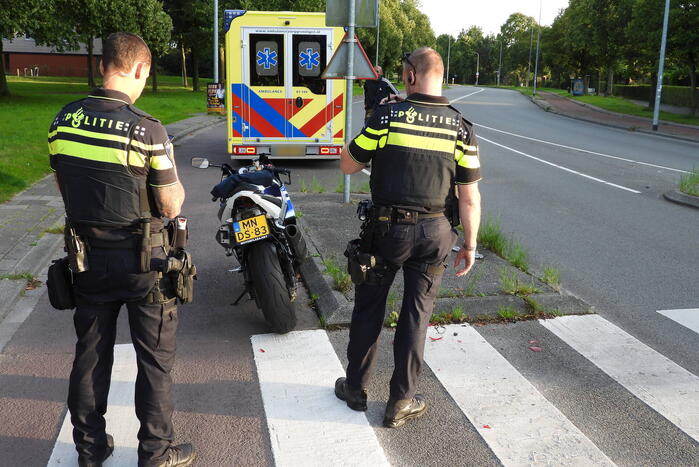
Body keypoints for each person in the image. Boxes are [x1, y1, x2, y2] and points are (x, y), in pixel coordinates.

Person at [48, 32, 195, 467]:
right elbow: (169, 205)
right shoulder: (147, 129)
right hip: (144, 262)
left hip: (87, 260)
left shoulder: (62, 121)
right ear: (140, 69)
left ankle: (90, 450)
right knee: (154, 361)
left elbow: (63, 185)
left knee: (90, 357)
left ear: (102, 66)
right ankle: (156, 453)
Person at [335, 47, 482, 428]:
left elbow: (348, 164)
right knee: (417, 315)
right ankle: (401, 401)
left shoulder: (388, 116)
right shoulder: (461, 128)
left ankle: (355, 389)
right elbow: (469, 196)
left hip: (386, 232)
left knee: (369, 308)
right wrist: (470, 244)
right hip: (436, 234)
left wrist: (372, 119)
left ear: (411, 76)